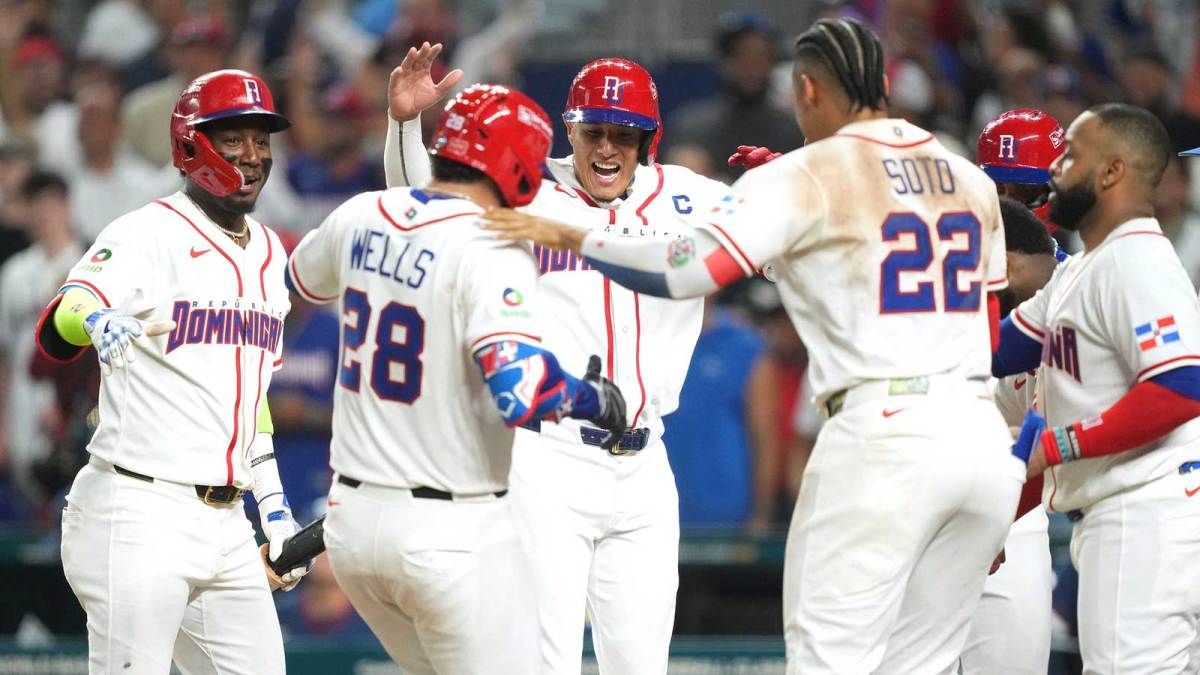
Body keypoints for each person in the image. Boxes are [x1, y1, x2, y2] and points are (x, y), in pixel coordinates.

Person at [484, 17, 1023, 673]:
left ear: (806, 89)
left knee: (830, 659)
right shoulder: (963, 172)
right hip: (980, 441)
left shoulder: (808, 173)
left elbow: (685, 270)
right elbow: (991, 329)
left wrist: (574, 238)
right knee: (920, 663)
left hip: (884, 435)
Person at [383, 43, 735, 674]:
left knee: (642, 664)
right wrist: (406, 124)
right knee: (545, 661)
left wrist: (791, 181)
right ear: (569, 128)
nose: (607, 149)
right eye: (594, 131)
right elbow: (422, 205)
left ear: (649, 139)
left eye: (624, 135)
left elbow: (781, 240)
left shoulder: (688, 197)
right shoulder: (525, 188)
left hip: (647, 462)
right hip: (547, 457)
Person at [285, 83, 626, 675]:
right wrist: (592, 397)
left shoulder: (362, 212)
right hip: (447, 533)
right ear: (515, 167)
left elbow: (303, 280)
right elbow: (520, 391)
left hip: (353, 532)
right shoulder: (492, 246)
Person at [32, 69, 309, 674]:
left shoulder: (269, 252)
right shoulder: (146, 231)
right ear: (191, 144)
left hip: (229, 522)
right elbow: (63, 313)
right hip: (138, 509)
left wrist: (275, 505)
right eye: (234, 138)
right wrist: (99, 321)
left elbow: (250, 398)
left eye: (261, 140)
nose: (253, 155)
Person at [998, 104, 1200, 674]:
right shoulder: (1084, 267)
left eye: (1071, 156)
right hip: (1148, 515)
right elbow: (993, 350)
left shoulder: (1135, 260)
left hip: (1145, 514)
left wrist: (1058, 445)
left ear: (1111, 172)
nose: (1055, 168)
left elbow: (1182, 386)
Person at [959, 108, 1067, 675]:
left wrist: (1004, 515)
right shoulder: (940, 268)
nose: (1005, 204)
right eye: (994, 187)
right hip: (927, 495)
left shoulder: (1074, 285)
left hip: (1017, 509)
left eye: (1022, 189)